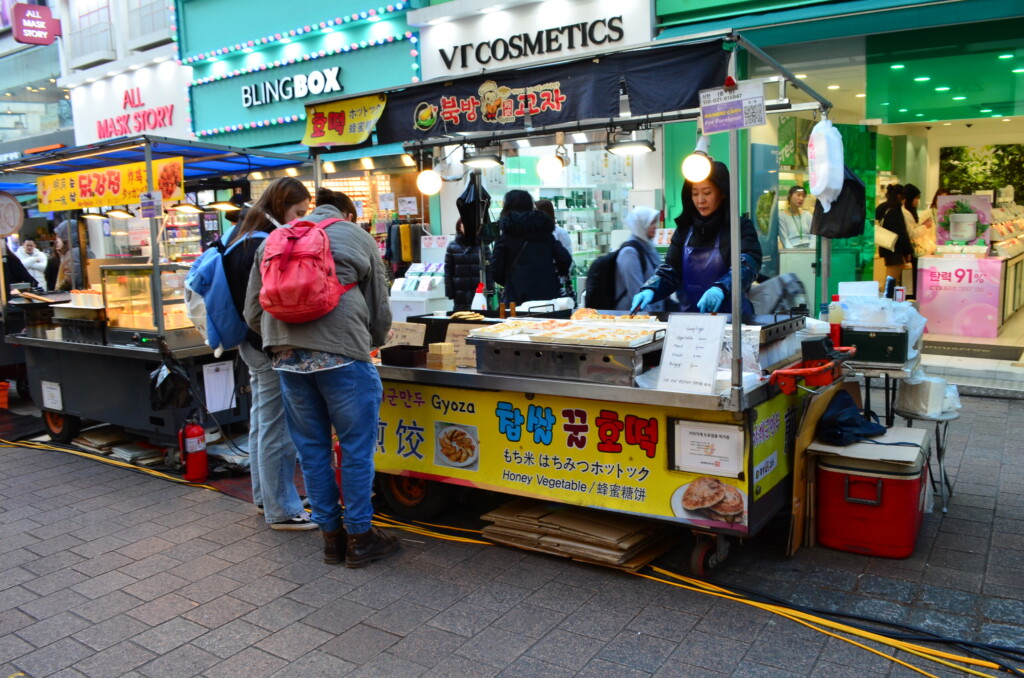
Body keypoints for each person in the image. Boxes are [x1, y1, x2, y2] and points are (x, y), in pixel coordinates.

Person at [245, 186, 397, 568]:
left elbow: (251, 311)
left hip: (287, 359)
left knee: (312, 450)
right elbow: (380, 308)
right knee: (355, 448)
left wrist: (282, 340)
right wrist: (370, 343)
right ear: (347, 213)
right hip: (344, 355)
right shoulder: (355, 235)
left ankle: (331, 539)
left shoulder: (277, 239)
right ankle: (360, 537)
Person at [224, 177, 315, 531]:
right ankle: (282, 508)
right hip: (267, 345)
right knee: (278, 429)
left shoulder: (241, 237)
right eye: (297, 212)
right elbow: (265, 305)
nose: (298, 221)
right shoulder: (265, 244)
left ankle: (268, 497)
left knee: (263, 425)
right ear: (280, 207)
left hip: (248, 344)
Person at [632, 161, 762, 315]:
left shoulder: (739, 227)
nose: (700, 200)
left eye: (707, 192)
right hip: (691, 322)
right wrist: (651, 288)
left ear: (722, 192)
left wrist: (721, 287)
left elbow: (748, 264)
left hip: (733, 321)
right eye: (695, 193)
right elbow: (671, 270)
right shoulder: (684, 230)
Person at [490, 190, 572, 304]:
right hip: (548, 295)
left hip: (517, 297)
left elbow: (496, 270)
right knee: (547, 321)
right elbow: (565, 259)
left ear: (507, 207)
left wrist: (513, 280)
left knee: (517, 322)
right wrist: (550, 276)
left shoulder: (507, 235)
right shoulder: (545, 233)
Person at [614, 206, 665, 312]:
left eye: (655, 223)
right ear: (641, 224)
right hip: (635, 319)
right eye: (651, 223)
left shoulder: (648, 248)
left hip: (653, 314)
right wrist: (651, 321)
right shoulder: (630, 253)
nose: (655, 227)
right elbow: (637, 291)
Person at [901, 184, 935, 299]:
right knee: (916, 278)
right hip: (913, 250)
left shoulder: (908, 212)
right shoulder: (905, 213)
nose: (917, 201)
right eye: (916, 198)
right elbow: (911, 233)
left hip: (915, 250)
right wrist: (924, 226)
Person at [878, 184, 914, 285]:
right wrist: (908, 251)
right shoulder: (895, 210)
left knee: (891, 278)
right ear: (899, 196)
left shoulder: (884, 207)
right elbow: (901, 232)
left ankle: (888, 297)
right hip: (895, 249)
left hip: (886, 246)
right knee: (892, 279)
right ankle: (887, 299)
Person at [444, 218, 482, 312]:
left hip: (479, 290)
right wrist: (450, 292)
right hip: (460, 292)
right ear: (459, 227)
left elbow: (489, 268)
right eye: (464, 224)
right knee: (461, 318)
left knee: (481, 317)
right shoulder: (452, 246)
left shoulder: (481, 244)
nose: (467, 227)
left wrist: (490, 290)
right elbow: (448, 271)